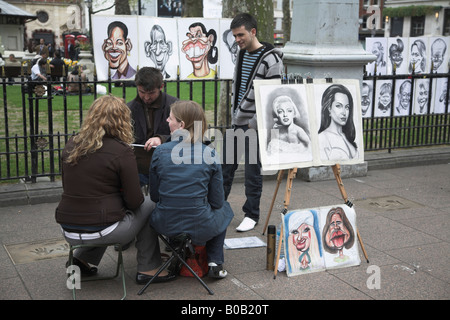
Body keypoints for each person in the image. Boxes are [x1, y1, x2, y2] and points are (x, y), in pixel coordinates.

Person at [55, 95, 175, 284]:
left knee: (99, 212)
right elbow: (135, 201)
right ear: (122, 120)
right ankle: (149, 268)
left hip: (67, 227)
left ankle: (80, 259)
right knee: (149, 204)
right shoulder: (121, 151)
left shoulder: (71, 144)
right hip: (103, 228)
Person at [149, 100, 234, 279]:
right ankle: (215, 262)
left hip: (165, 224)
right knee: (225, 208)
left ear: (181, 125)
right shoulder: (209, 153)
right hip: (200, 225)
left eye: (170, 118)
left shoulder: (160, 152)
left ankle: (177, 254)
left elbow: (155, 197)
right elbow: (217, 201)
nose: (166, 121)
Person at [222, 13, 283, 232]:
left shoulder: (271, 59)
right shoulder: (241, 54)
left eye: (240, 35)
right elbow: (240, 88)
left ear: (253, 31)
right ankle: (219, 208)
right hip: (238, 121)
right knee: (225, 167)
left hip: (254, 126)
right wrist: (236, 116)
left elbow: (272, 97)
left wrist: (254, 123)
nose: (237, 39)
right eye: (235, 35)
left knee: (252, 170)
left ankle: (252, 214)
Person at [127, 67, 178, 187]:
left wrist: (161, 139)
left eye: (151, 93)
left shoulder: (175, 106)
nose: (146, 97)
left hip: (167, 164)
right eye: (142, 92)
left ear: (161, 87)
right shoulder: (129, 108)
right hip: (138, 166)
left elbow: (186, 133)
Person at [318, 84, 358, 161]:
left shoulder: (347, 135)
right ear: (329, 108)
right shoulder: (322, 138)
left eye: (347, 107)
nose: (344, 112)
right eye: (338, 106)